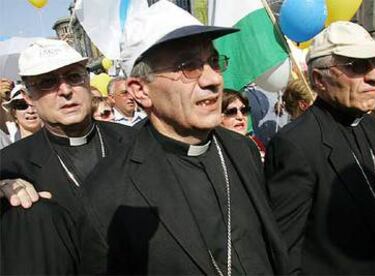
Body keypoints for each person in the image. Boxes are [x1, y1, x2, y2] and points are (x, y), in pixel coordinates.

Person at [81, 1, 288, 274]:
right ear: (141, 91)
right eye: (189, 67)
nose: (213, 79)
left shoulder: (242, 149)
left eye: (214, 62)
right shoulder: (109, 191)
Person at [264, 21, 375, 275]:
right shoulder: (296, 144)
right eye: (358, 66)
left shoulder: (369, 126)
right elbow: (283, 252)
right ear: (320, 79)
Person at [0, 38, 137, 274]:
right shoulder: (10, 165)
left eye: (74, 77)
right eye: (47, 82)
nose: (65, 90)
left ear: (87, 81)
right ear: (29, 97)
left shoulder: (135, 142)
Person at [220, 89, 266, 159]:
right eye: (231, 112)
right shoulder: (213, 152)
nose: (240, 117)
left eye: (244, 110)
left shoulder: (255, 144)